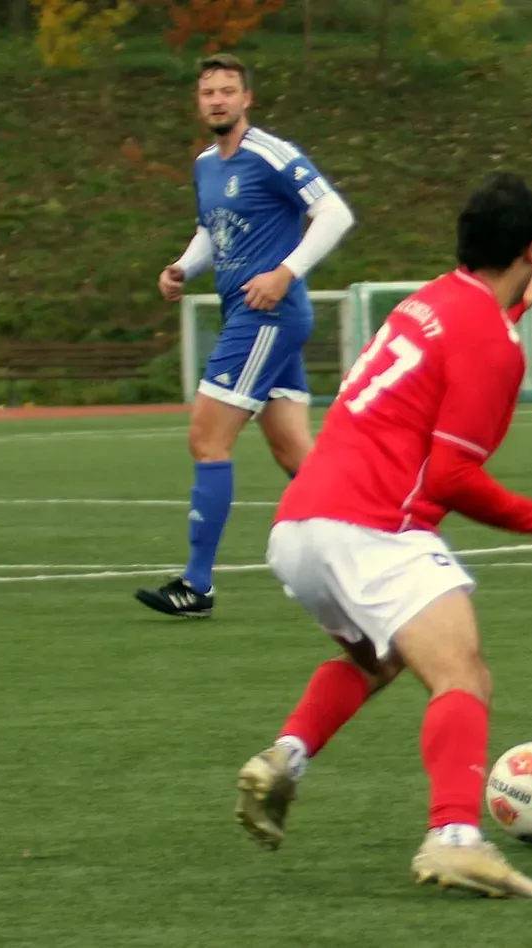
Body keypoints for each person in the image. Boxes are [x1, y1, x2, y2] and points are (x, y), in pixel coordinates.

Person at [232, 173, 532, 899]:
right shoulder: (492, 340)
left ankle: (286, 756)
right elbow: (450, 478)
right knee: (462, 673)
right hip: (371, 525)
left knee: (379, 660)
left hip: (299, 526)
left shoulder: (424, 302)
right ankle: (455, 839)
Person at [135, 53, 355, 619]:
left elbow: (334, 214)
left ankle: (198, 585)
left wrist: (286, 272)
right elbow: (212, 232)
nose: (217, 100)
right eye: (208, 92)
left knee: (207, 437)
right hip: (248, 314)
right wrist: (183, 268)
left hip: (268, 315)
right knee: (293, 451)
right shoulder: (206, 164)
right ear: (199, 101)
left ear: (246, 99)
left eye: (227, 91)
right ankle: (367, 546)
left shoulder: (271, 154)